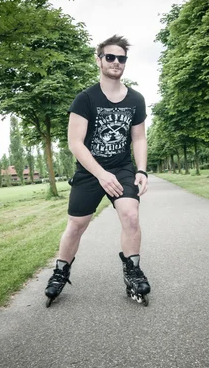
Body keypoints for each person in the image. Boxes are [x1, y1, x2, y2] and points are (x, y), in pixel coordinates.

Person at [44, 35, 151, 307]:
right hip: (90, 171)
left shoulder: (136, 99)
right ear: (99, 59)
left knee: (130, 214)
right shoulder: (85, 99)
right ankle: (60, 272)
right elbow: (75, 143)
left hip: (123, 167)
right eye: (110, 57)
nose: (116, 62)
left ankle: (133, 272)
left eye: (121, 58)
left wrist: (141, 170)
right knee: (77, 225)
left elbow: (138, 138)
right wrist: (101, 175)